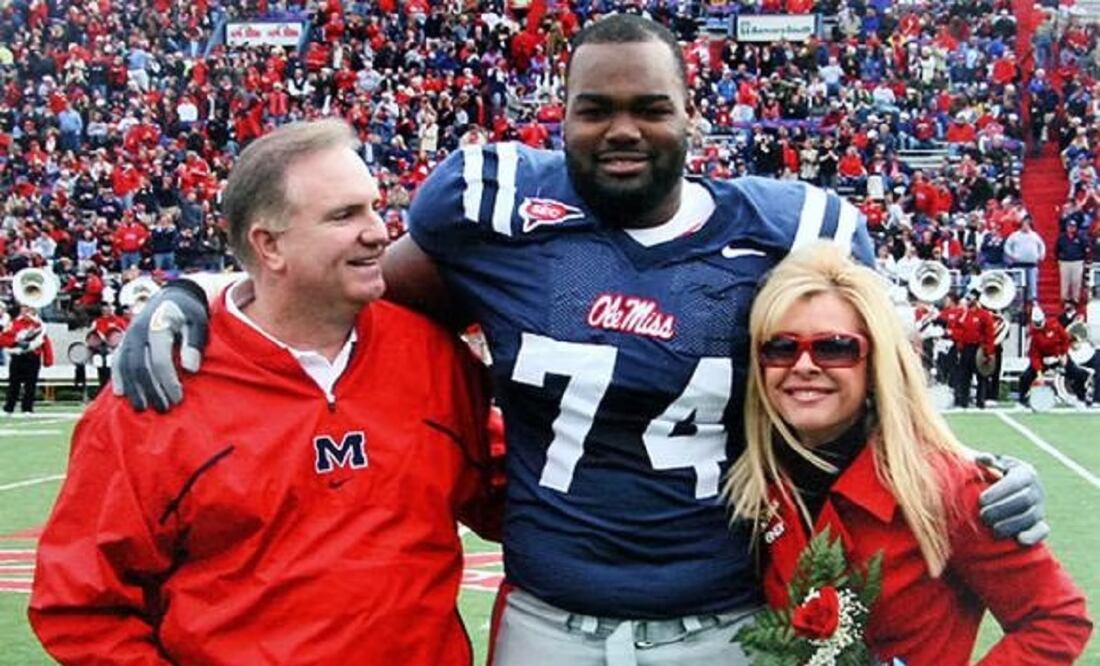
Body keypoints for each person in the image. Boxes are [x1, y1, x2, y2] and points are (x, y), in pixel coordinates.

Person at [112, 16, 1048, 665]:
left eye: (649, 107)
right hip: (547, 620)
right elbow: (347, 301)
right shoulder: (494, 207)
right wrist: (203, 291)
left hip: (722, 621)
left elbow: (867, 380)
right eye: (594, 109)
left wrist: (978, 470)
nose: (622, 129)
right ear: (559, 114)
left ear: (694, 115)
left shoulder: (791, 230)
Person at [29, 120, 502, 664]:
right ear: (268, 245)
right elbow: (80, 605)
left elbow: (513, 495)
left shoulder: (431, 357)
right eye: (345, 215)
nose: (379, 232)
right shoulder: (158, 391)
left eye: (374, 207)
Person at [726, 244, 1092, 663]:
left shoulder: (946, 487)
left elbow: (1055, 617)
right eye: (781, 347)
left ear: (876, 363)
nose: (804, 364)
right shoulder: (759, 480)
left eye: (834, 347)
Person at [1017, 307, 1090, 408]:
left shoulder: (1054, 325)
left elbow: (1065, 339)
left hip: (1059, 357)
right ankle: (1021, 401)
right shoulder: (1034, 334)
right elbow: (1034, 355)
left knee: (1077, 374)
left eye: (1039, 322)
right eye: (1036, 323)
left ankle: (1081, 399)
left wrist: (1063, 354)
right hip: (1044, 360)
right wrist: (1039, 373)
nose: (1038, 324)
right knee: (1025, 377)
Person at [1, 304, 54, 415]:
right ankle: (9, 407)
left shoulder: (39, 325)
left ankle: (27, 408)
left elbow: (45, 342)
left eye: (29, 308)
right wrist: (15, 342)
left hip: (33, 356)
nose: (26, 311)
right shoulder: (13, 323)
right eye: (24, 308)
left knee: (31, 384)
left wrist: (48, 359)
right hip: (17, 356)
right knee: (14, 383)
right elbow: (3, 338)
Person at [950, 288, 997, 409]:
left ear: (976, 300)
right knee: (965, 375)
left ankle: (980, 401)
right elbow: (956, 329)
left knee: (981, 375)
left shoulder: (984, 315)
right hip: (966, 348)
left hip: (979, 348)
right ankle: (963, 401)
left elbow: (989, 334)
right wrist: (959, 344)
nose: (968, 301)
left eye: (970, 299)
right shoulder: (963, 314)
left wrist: (988, 351)